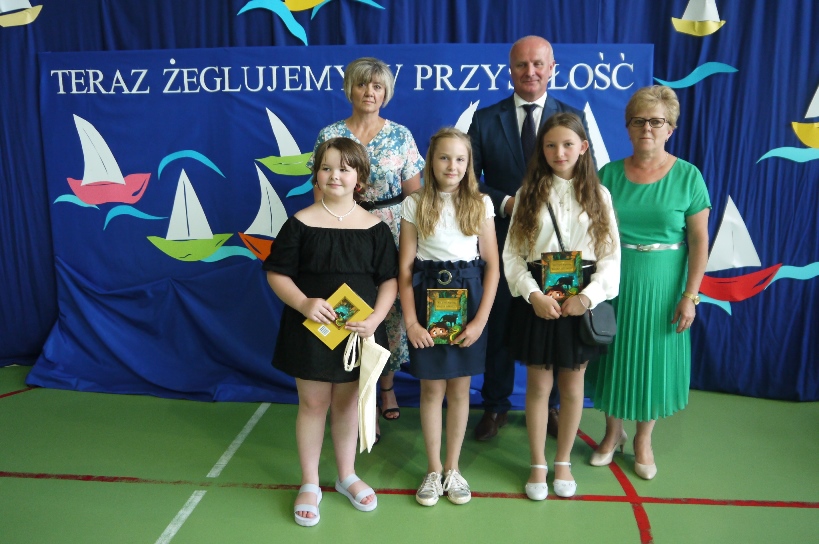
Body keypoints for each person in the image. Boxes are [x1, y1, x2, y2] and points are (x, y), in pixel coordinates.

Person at [263, 138, 398, 526]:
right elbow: (277, 274)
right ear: (316, 176)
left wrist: (375, 319)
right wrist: (304, 303)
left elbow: (389, 280)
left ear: (360, 178)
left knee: (347, 404)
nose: (334, 175)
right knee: (313, 404)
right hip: (311, 333)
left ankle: (346, 475)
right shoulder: (300, 223)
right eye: (326, 168)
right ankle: (309, 482)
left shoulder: (375, 228)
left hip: (358, 333)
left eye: (344, 168)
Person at [468, 36, 593, 441]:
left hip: (560, 250)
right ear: (510, 70)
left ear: (552, 68)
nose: (530, 72)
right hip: (504, 240)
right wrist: (506, 204)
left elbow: (584, 179)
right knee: (501, 324)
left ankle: (552, 407)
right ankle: (495, 405)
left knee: (557, 325)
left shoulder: (571, 116)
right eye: (521, 64)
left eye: (538, 64)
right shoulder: (486, 119)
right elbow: (468, 180)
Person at [590, 85, 710, 480]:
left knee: (652, 362)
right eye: (639, 121)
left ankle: (643, 440)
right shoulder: (608, 174)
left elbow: (699, 241)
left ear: (670, 129)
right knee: (612, 358)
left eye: (657, 122)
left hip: (664, 285)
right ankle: (612, 433)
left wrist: (690, 295)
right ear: (627, 127)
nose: (647, 128)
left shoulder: (689, 176)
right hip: (614, 281)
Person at [504, 113, 620, 500]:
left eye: (568, 144)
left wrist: (587, 297)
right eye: (551, 145)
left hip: (579, 300)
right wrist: (533, 295)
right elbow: (513, 257)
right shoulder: (528, 194)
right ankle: (538, 463)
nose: (559, 152)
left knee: (572, 385)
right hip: (540, 297)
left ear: (583, 147)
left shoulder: (599, 196)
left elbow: (611, 257)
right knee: (539, 386)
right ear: (542, 149)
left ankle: (563, 461)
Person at [309, 57, 424, 435]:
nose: (369, 92)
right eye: (362, 84)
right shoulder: (330, 134)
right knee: (351, 305)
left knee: (389, 312)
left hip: (392, 230)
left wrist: (415, 242)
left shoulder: (401, 136)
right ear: (350, 89)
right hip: (345, 229)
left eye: (377, 86)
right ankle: (359, 395)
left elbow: (415, 196)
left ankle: (386, 387)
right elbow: (320, 190)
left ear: (386, 92)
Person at [398, 128, 500, 506]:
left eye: (460, 159)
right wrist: (412, 322)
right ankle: (432, 469)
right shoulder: (415, 203)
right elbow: (405, 269)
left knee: (459, 388)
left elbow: (493, 267)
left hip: (468, 299)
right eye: (444, 157)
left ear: (469, 163)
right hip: (428, 297)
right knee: (432, 389)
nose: (452, 166)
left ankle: (453, 469)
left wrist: (479, 321)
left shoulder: (481, 203)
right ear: (431, 161)